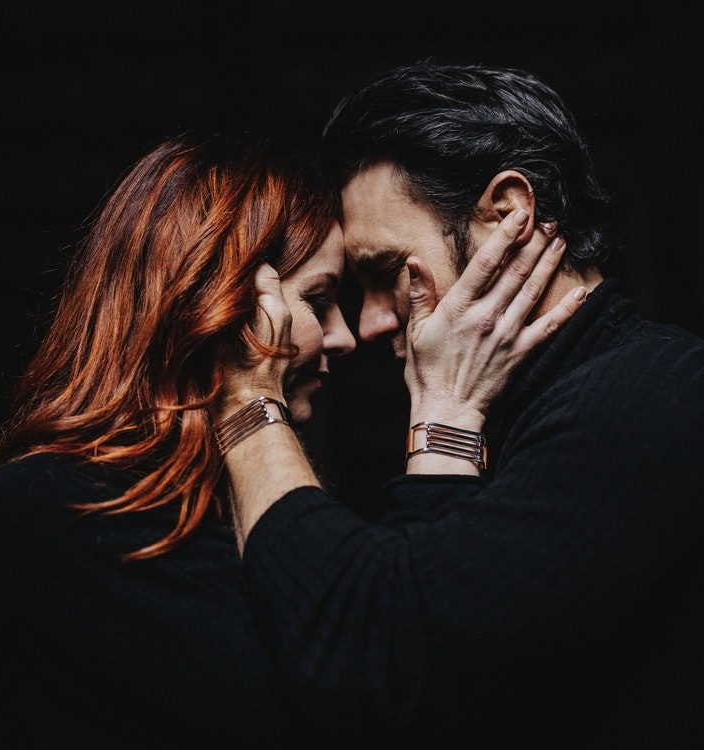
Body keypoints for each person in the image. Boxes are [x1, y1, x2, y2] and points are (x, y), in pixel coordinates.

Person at [216, 62, 704, 748]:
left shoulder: (652, 396)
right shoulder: (523, 410)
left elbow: (383, 672)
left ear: (507, 215)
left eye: (387, 275)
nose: (372, 323)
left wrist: (246, 399)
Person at [0, 131, 360, 748]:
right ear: (227, 303)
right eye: (320, 300)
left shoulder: (234, 489)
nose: (345, 337)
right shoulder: (58, 499)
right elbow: (338, 707)